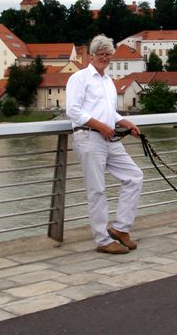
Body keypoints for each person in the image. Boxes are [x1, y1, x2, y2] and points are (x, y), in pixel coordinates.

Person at [65, 34, 144, 254]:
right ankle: (102, 240)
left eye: (109, 55)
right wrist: (100, 126)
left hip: (108, 137)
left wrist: (125, 122)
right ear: (92, 55)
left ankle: (120, 228)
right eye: (102, 54)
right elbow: (73, 111)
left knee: (134, 176)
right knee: (97, 190)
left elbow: (109, 112)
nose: (106, 59)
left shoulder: (108, 81)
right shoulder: (79, 79)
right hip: (88, 137)